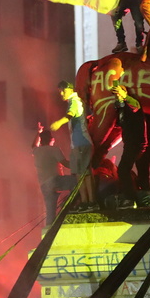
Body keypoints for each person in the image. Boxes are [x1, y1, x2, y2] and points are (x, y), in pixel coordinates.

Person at [50, 80, 96, 211]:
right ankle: (85, 201)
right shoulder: (73, 102)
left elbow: (69, 115)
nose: (61, 94)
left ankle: (91, 202)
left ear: (70, 90)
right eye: (60, 92)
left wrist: (59, 123)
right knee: (79, 174)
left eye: (63, 91)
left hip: (82, 143)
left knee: (85, 174)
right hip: (76, 145)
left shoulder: (75, 101)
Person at [111, 80, 145, 208]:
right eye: (115, 94)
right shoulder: (121, 107)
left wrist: (123, 95)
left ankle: (130, 199)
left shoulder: (132, 103)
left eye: (119, 93)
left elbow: (135, 106)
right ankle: (140, 199)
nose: (117, 96)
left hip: (137, 143)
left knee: (123, 169)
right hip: (130, 143)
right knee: (138, 172)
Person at [32, 127, 72, 223]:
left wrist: (38, 132)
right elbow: (66, 164)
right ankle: (70, 205)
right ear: (51, 139)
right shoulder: (54, 150)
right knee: (77, 181)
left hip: (44, 185)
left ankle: (49, 229)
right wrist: (79, 164)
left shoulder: (36, 151)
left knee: (50, 212)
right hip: (55, 180)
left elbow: (33, 145)